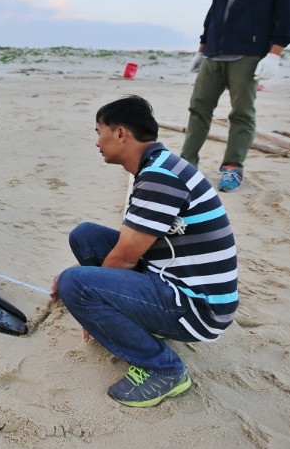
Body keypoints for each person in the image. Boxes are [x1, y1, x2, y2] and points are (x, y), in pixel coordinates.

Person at [52, 95, 237, 408]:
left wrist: (85, 304)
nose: (97, 141)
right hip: (178, 283)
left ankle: (164, 369)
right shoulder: (158, 167)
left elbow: (125, 257)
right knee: (85, 237)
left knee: (75, 283)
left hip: (198, 308)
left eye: (100, 132)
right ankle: (135, 323)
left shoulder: (160, 177)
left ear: (121, 134)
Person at [184, 0, 290, 192]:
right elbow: (215, 11)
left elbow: (287, 11)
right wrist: (202, 47)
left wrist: (275, 53)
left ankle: (232, 168)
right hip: (215, 52)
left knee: (242, 113)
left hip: (248, 54)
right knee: (198, 109)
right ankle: (187, 165)